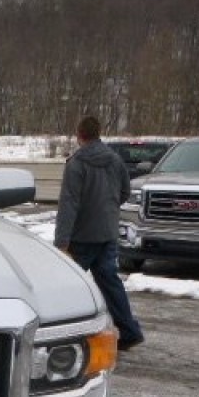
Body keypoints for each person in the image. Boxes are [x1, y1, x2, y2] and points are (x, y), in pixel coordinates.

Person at [54, 116, 145, 351]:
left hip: (82, 237)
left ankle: (59, 334)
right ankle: (129, 330)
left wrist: (62, 242)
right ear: (98, 133)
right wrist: (109, 210)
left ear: (79, 135)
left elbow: (69, 203)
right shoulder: (115, 160)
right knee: (110, 281)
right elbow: (125, 190)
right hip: (107, 233)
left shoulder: (76, 164)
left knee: (66, 285)